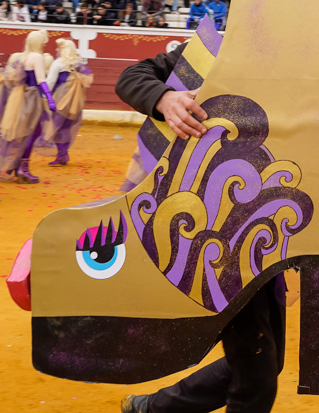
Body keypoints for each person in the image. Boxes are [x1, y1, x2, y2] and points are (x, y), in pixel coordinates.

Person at [117, 40, 286, 413]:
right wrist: (164, 98)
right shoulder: (217, 50)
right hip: (213, 238)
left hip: (263, 234)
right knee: (256, 370)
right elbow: (131, 76)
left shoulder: (296, 62)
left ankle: (152, 408)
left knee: (265, 362)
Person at [0, 30, 57, 184]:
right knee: (32, 132)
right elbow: (41, 80)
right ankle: (23, 168)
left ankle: (17, 165)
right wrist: (50, 99)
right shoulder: (37, 57)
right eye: (43, 42)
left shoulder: (22, 56)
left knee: (25, 133)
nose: (44, 44)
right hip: (33, 97)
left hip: (22, 97)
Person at [43, 38, 92, 166]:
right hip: (75, 99)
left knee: (56, 125)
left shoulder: (58, 63)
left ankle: (62, 154)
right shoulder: (78, 64)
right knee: (67, 126)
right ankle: (63, 153)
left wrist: (45, 95)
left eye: (58, 48)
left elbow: (50, 82)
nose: (56, 50)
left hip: (60, 97)